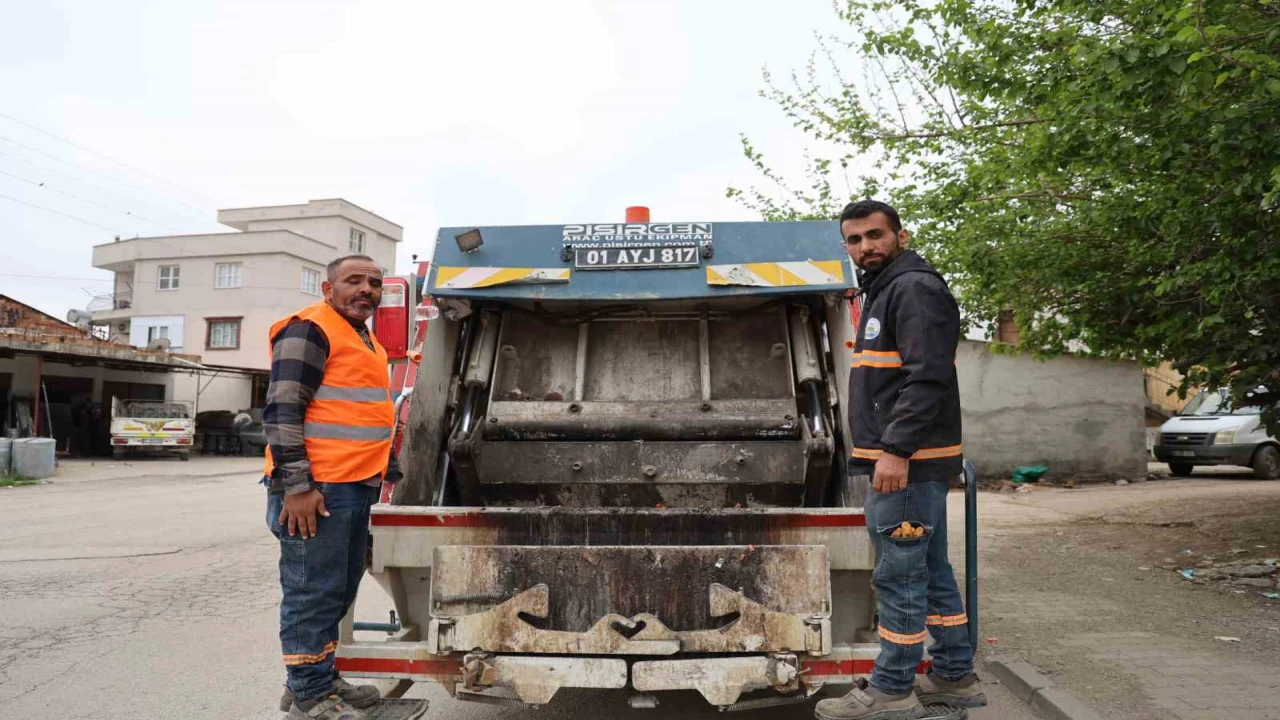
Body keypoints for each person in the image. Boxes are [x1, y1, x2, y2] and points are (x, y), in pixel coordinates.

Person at [815, 201, 986, 720]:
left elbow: (927, 377)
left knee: (900, 577)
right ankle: (954, 676)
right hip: (910, 462)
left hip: (906, 465)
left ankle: (891, 690)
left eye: (875, 235)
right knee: (930, 571)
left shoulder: (912, 288)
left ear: (899, 235)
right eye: (854, 239)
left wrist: (895, 451)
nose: (865, 246)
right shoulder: (887, 288)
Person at [262, 254, 403, 720]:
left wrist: (391, 466)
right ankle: (309, 696)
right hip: (318, 489)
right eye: (354, 281)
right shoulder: (310, 329)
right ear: (328, 289)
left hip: (353, 483)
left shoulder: (366, 341)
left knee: (337, 591)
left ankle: (319, 679)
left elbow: (365, 411)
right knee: (311, 593)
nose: (367, 290)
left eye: (375, 283)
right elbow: (283, 410)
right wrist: (297, 487)